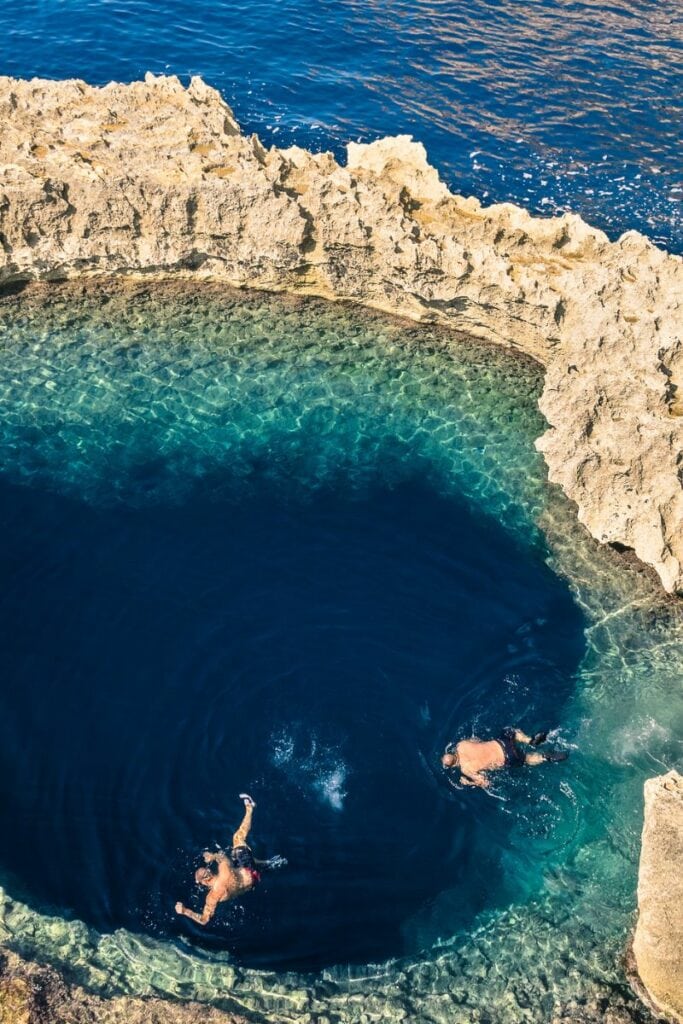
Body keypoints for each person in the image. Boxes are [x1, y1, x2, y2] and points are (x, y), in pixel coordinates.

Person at [175, 794, 286, 926]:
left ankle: (268, 864)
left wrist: (185, 911)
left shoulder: (212, 897)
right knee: (237, 838)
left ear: (203, 882)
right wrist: (213, 856)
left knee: (248, 865)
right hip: (247, 869)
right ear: (208, 874)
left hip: (251, 885)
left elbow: (204, 920)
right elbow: (222, 856)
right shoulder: (224, 871)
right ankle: (250, 807)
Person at [441, 728, 567, 789]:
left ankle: (544, 757)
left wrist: (468, 782)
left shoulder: (466, 769)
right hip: (501, 743)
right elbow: (477, 740)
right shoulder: (461, 744)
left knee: (526, 759)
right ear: (451, 753)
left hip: (507, 758)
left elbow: (485, 782)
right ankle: (530, 740)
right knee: (510, 731)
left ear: (452, 765)